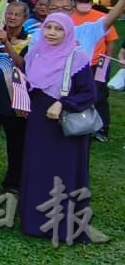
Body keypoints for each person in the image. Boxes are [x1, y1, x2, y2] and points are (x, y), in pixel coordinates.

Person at [18, 13, 100, 242]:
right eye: (48, 27)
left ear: (68, 32)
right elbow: (29, 83)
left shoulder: (77, 58)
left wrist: (62, 104)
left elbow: (89, 93)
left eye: (58, 29)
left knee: (64, 171)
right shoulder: (35, 53)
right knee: (37, 168)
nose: (52, 33)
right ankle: (35, 223)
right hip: (38, 122)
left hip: (64, 125)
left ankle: (65, 226)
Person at [0, 1, 30, 195]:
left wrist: (7, 44)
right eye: (9, 13)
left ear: (25, 19)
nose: (12, 17)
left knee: (16, 144)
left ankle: (13, 181)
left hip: (15, 101)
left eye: (17, 14)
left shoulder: (30, 41)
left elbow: (23, 65)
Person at [71, 0, 118, 143]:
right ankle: (81, 125)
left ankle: (102, 129)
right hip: (77, 65)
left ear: (91, 3)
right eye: (81, 1)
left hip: (98, 63)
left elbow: (111, 40)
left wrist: (107, 61)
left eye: (87, 2)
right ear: (75, 2)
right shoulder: (69, 18)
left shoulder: (102, 18)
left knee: (99, 95)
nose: (84, 5)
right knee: (78, 93)